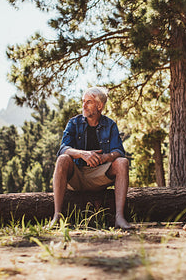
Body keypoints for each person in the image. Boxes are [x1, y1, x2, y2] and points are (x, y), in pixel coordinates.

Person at [49, 86, 133, 229]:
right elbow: (63, 149)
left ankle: (119, 217)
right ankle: (57, 216)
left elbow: (119, 151)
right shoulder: (73, 123)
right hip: (77, 175)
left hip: (99, 177)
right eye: (83, 101)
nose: (84, 105)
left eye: (88, 102)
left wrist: (105, 157)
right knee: (62, 159)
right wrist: (83, 154)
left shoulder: (110, 125)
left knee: (122, 162)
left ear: (99, 106)